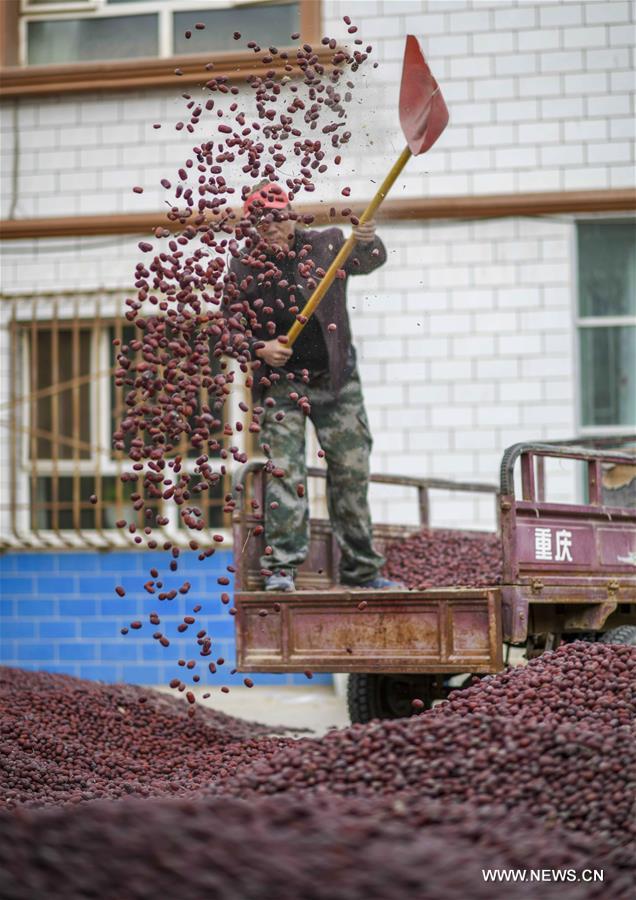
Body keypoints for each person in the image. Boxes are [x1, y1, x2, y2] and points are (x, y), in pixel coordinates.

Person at [226, 181, 402, 592]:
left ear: (291, 215)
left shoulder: (326, 244)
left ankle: (361, 570)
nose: (269, 227)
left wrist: (368, 241)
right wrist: (260, 348)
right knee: (284, 473)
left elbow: (367, 261)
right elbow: (226, 331)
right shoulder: (243, 268)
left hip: (336, 382)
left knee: (351, 472)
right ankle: (282, 570)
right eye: (259, 222)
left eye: (275, 218)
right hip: (281, 385)